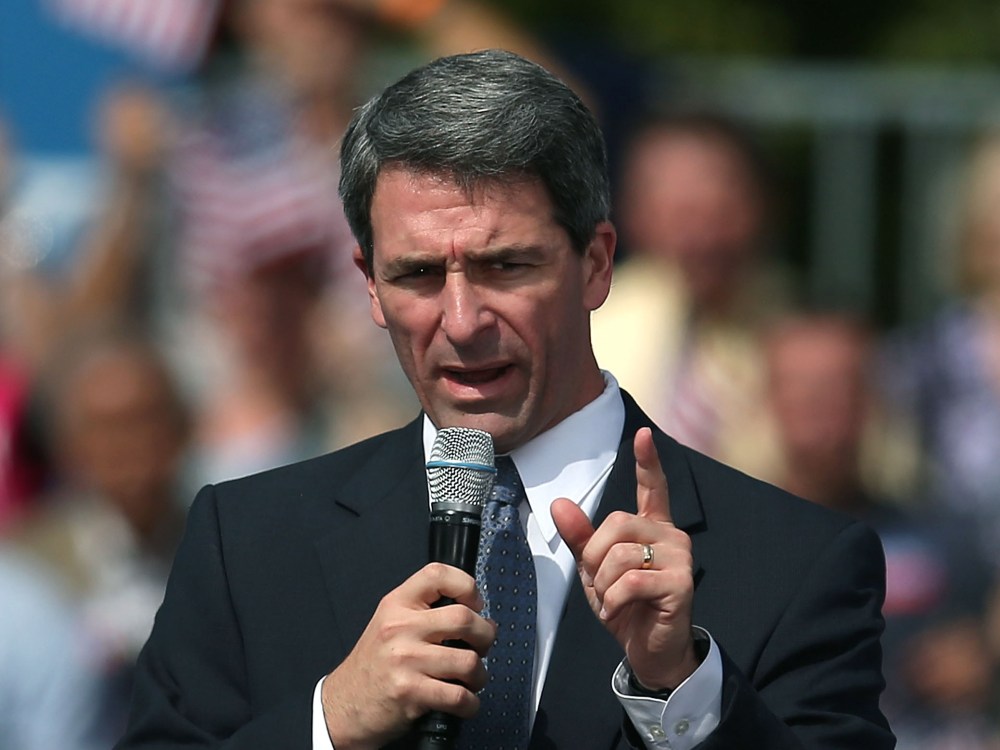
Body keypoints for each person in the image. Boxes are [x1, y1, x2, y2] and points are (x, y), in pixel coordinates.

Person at [117, 50, 892, 749]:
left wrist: (683, 688)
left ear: (596, 263)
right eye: (418, 275)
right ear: (369, 285)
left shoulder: (795, 564)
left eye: (506, 267)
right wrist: (329, 721)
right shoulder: (247, 542)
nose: (461, 322)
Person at [592, 111, 789, 476]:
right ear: (635, 213)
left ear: (761, 206)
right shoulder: (588, 327)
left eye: (720, 211)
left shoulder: (802, 333)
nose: (703, 237)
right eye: (683, 214)